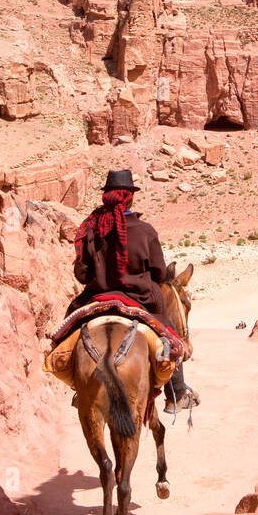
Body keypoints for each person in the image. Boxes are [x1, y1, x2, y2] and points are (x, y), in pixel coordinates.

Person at [69, 168, 198, 412]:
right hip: (140, 299)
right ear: (130, 198)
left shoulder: (91, 229)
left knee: (67, 328)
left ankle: (78, 387)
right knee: (169, 334)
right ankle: (176, 394)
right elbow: (160, 274)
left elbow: (82, 273)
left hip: (98, 298)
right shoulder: (145, 231)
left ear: (106, 197)